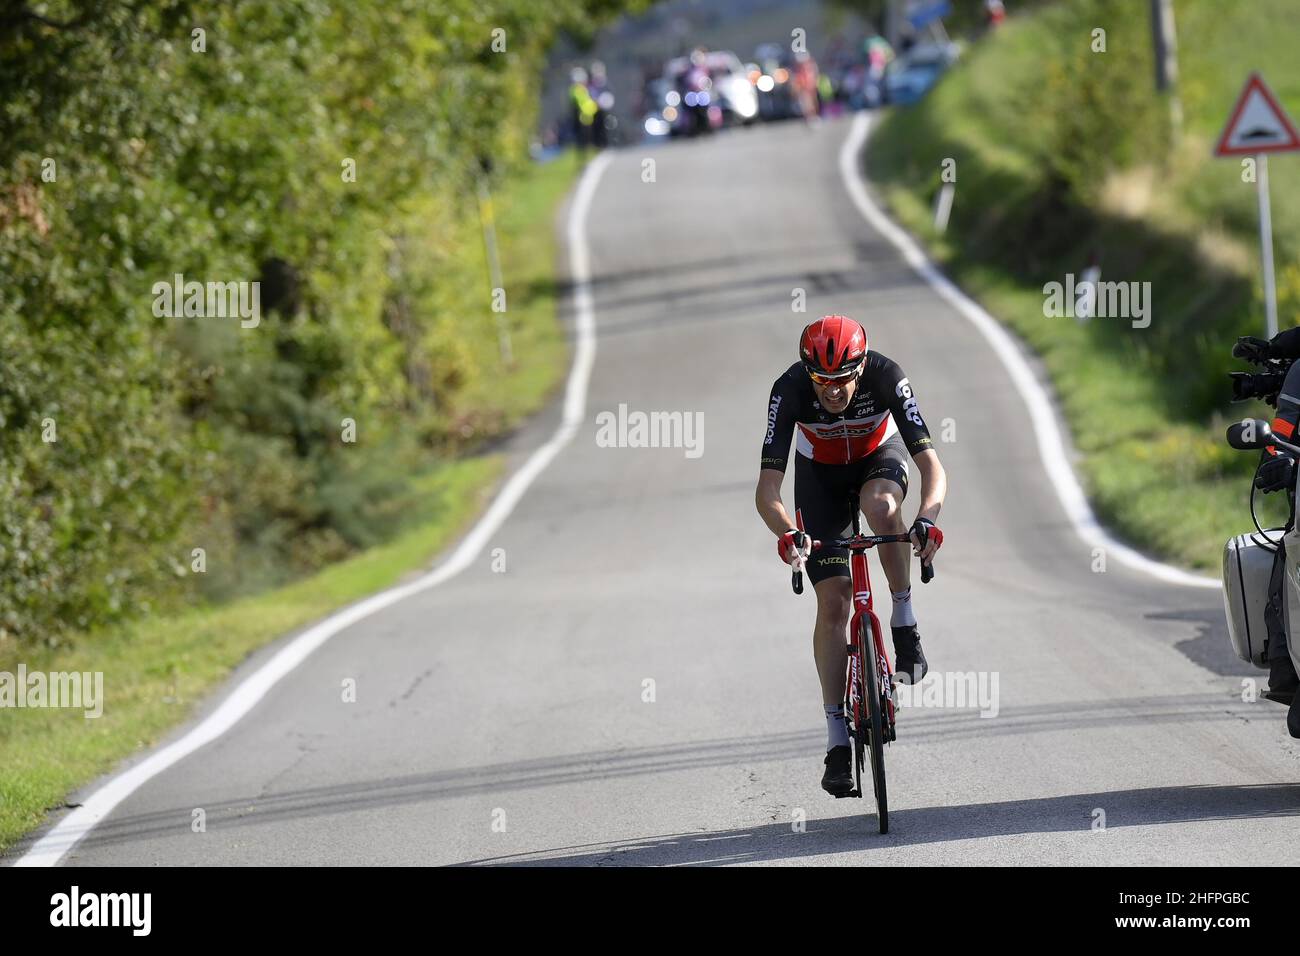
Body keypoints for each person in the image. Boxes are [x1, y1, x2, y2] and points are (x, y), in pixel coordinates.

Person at [755, 315, 948, 795]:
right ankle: (837, 740)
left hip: (877, 458)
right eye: (823, 381)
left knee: (882, 507)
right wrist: (788, 533)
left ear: (860, 371)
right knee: (834, 603)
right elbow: (767, 489)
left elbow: (933, 468)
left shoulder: (887, 375)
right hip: (819, 476)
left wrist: (926, 519)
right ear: (808, 373)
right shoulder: (790, 389)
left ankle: (903, 617)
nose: (833, 391)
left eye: (842, 380)